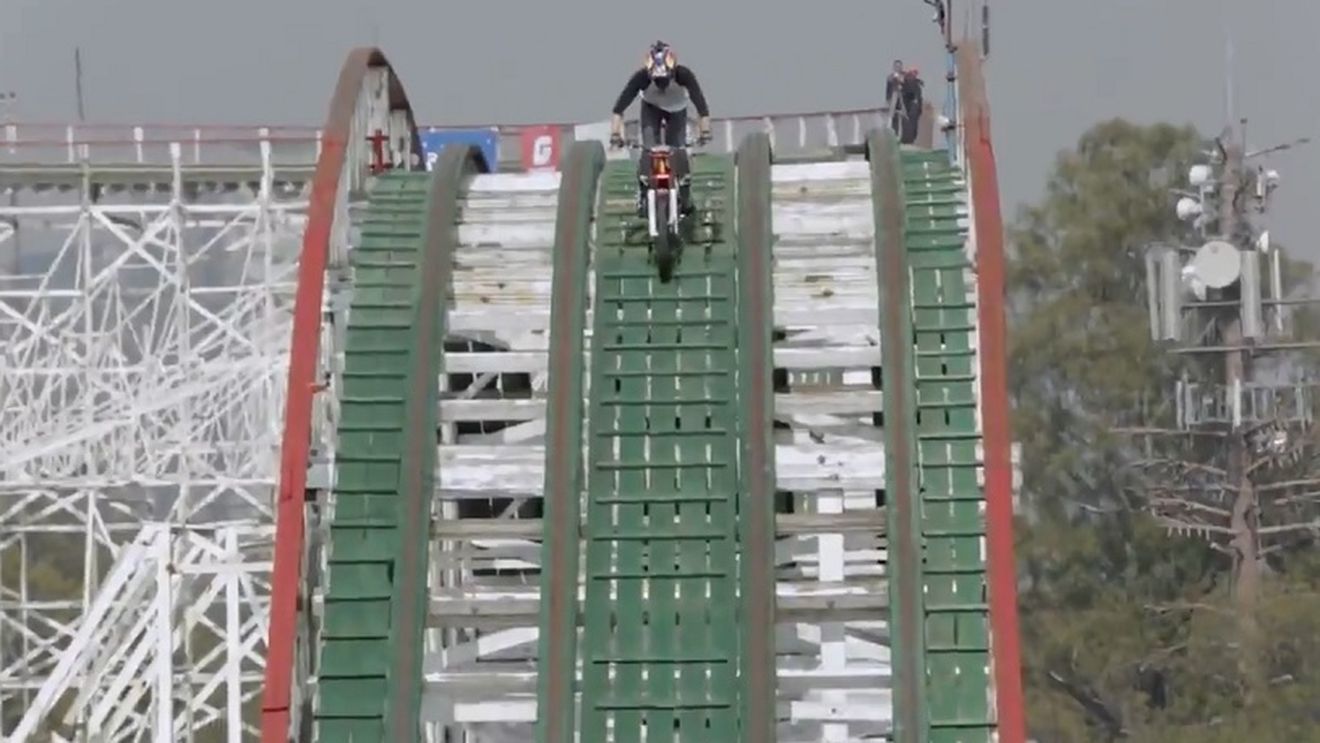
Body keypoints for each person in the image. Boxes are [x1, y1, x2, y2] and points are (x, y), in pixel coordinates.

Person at [609, 40, 712, 215]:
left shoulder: (684, 75)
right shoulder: (640, 78)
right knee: (648, 149)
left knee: (678, 149)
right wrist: (615, 133)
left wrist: (705, 131)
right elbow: (619, 108)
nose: (661, 85)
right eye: (657, 80)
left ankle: (685, 193)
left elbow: (701, 105)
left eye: (665, 80)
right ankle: (643, 192)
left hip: (677, 109)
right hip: (651, 108)